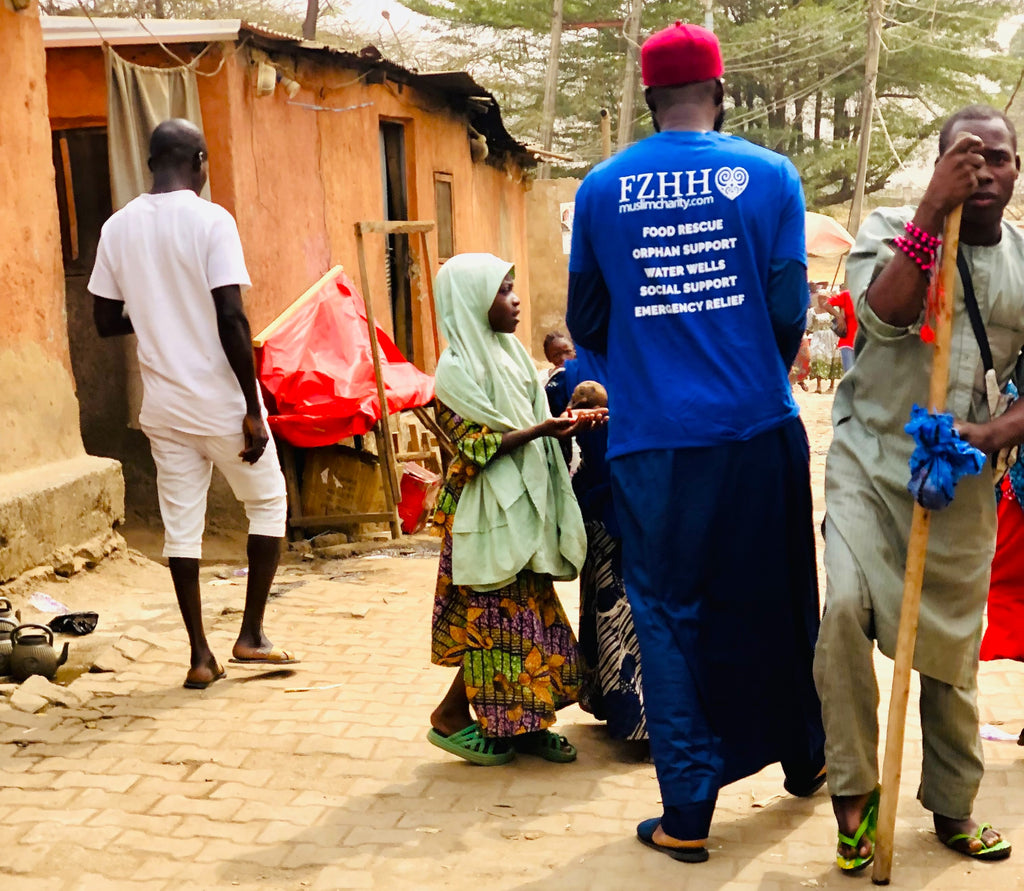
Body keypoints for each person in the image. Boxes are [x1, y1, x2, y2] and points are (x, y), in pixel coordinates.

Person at [566, 22, 825, 862]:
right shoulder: (772, 175)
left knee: (670, 619)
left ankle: (686, 815)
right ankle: (807, 762)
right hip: (758, 428)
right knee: (782, 597)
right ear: (720, 94)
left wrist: (651, 357)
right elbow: (789, 309)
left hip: (653, 447)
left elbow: (586, 318)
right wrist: (746, 357)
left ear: (648, 100)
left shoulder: (603, 190)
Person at [815, 104, 1022, 872]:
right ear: (938, 166)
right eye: (966, 158)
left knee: (948, 650)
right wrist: (933, 210)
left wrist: (993, 435)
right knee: (842, 612)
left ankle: (952, 805)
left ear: (1016, 171)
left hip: (961, 483)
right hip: (872, 465)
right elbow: (884, 317)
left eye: (998, 158)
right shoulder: (891, 229)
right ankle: (854, 798)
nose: (984, 171)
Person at [89, 119, 294, 690]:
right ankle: (251, 634)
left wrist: (155, 312)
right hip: (223, 404)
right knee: (269, 504)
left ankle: (200, 655)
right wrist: (252, 408)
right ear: (200, 161)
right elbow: (231, 315)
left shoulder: (117, 228)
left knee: (182, 529)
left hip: (164, 408)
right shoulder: (212, 220)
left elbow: (106, 321)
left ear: (152, 161)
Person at [426, 253, 604, 766]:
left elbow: (532, 420)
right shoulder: (455, 372)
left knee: (529, 619)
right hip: (485, 513)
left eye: (512, 287)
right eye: (503, 290)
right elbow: (477, 447)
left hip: (521, 511)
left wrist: (561, 423)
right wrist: (544, 430)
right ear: (471, 302)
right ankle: (451, 718)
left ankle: (528, 724)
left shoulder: (511, 357)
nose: (516, 298)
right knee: (496, 625)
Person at [546, 347, 647, 745]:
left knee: (610, 604)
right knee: (620, 607)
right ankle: (637, 719)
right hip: (622, 508)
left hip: (606, 508)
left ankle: (617, 705)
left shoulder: (564, 379)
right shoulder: (649, 365)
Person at [807, 284, 843, 393]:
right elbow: (809, 326)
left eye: (823, 298)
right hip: (818, 337)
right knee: (817, 357)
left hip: (832, 337)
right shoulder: (812, 311)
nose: (820, 300)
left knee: (832, 358)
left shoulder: (834, 310)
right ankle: (818, 386)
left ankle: (831, 386)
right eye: (819, 298)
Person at [827, 285, 858, 373]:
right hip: (848, 342)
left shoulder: (873, 296)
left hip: (867, 343)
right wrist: (838, 316)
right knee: (849, 375)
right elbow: (825, 303)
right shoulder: (846, 295)